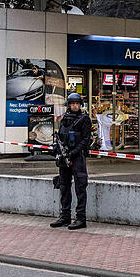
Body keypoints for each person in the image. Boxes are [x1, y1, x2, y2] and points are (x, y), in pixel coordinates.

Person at [50, 93, 91, 230]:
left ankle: (80, 218)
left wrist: (73, 153)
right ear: (68, 105)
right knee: (64, 186)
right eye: (72, 104)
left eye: (77, 104)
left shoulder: (84, 119)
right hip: (64, 158)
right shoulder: (65, 119)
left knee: (80, 187)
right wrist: (57, 149)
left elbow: (86, 140)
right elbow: (60, 137)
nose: (75, 106)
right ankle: (65, 216)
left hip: (77, 158)